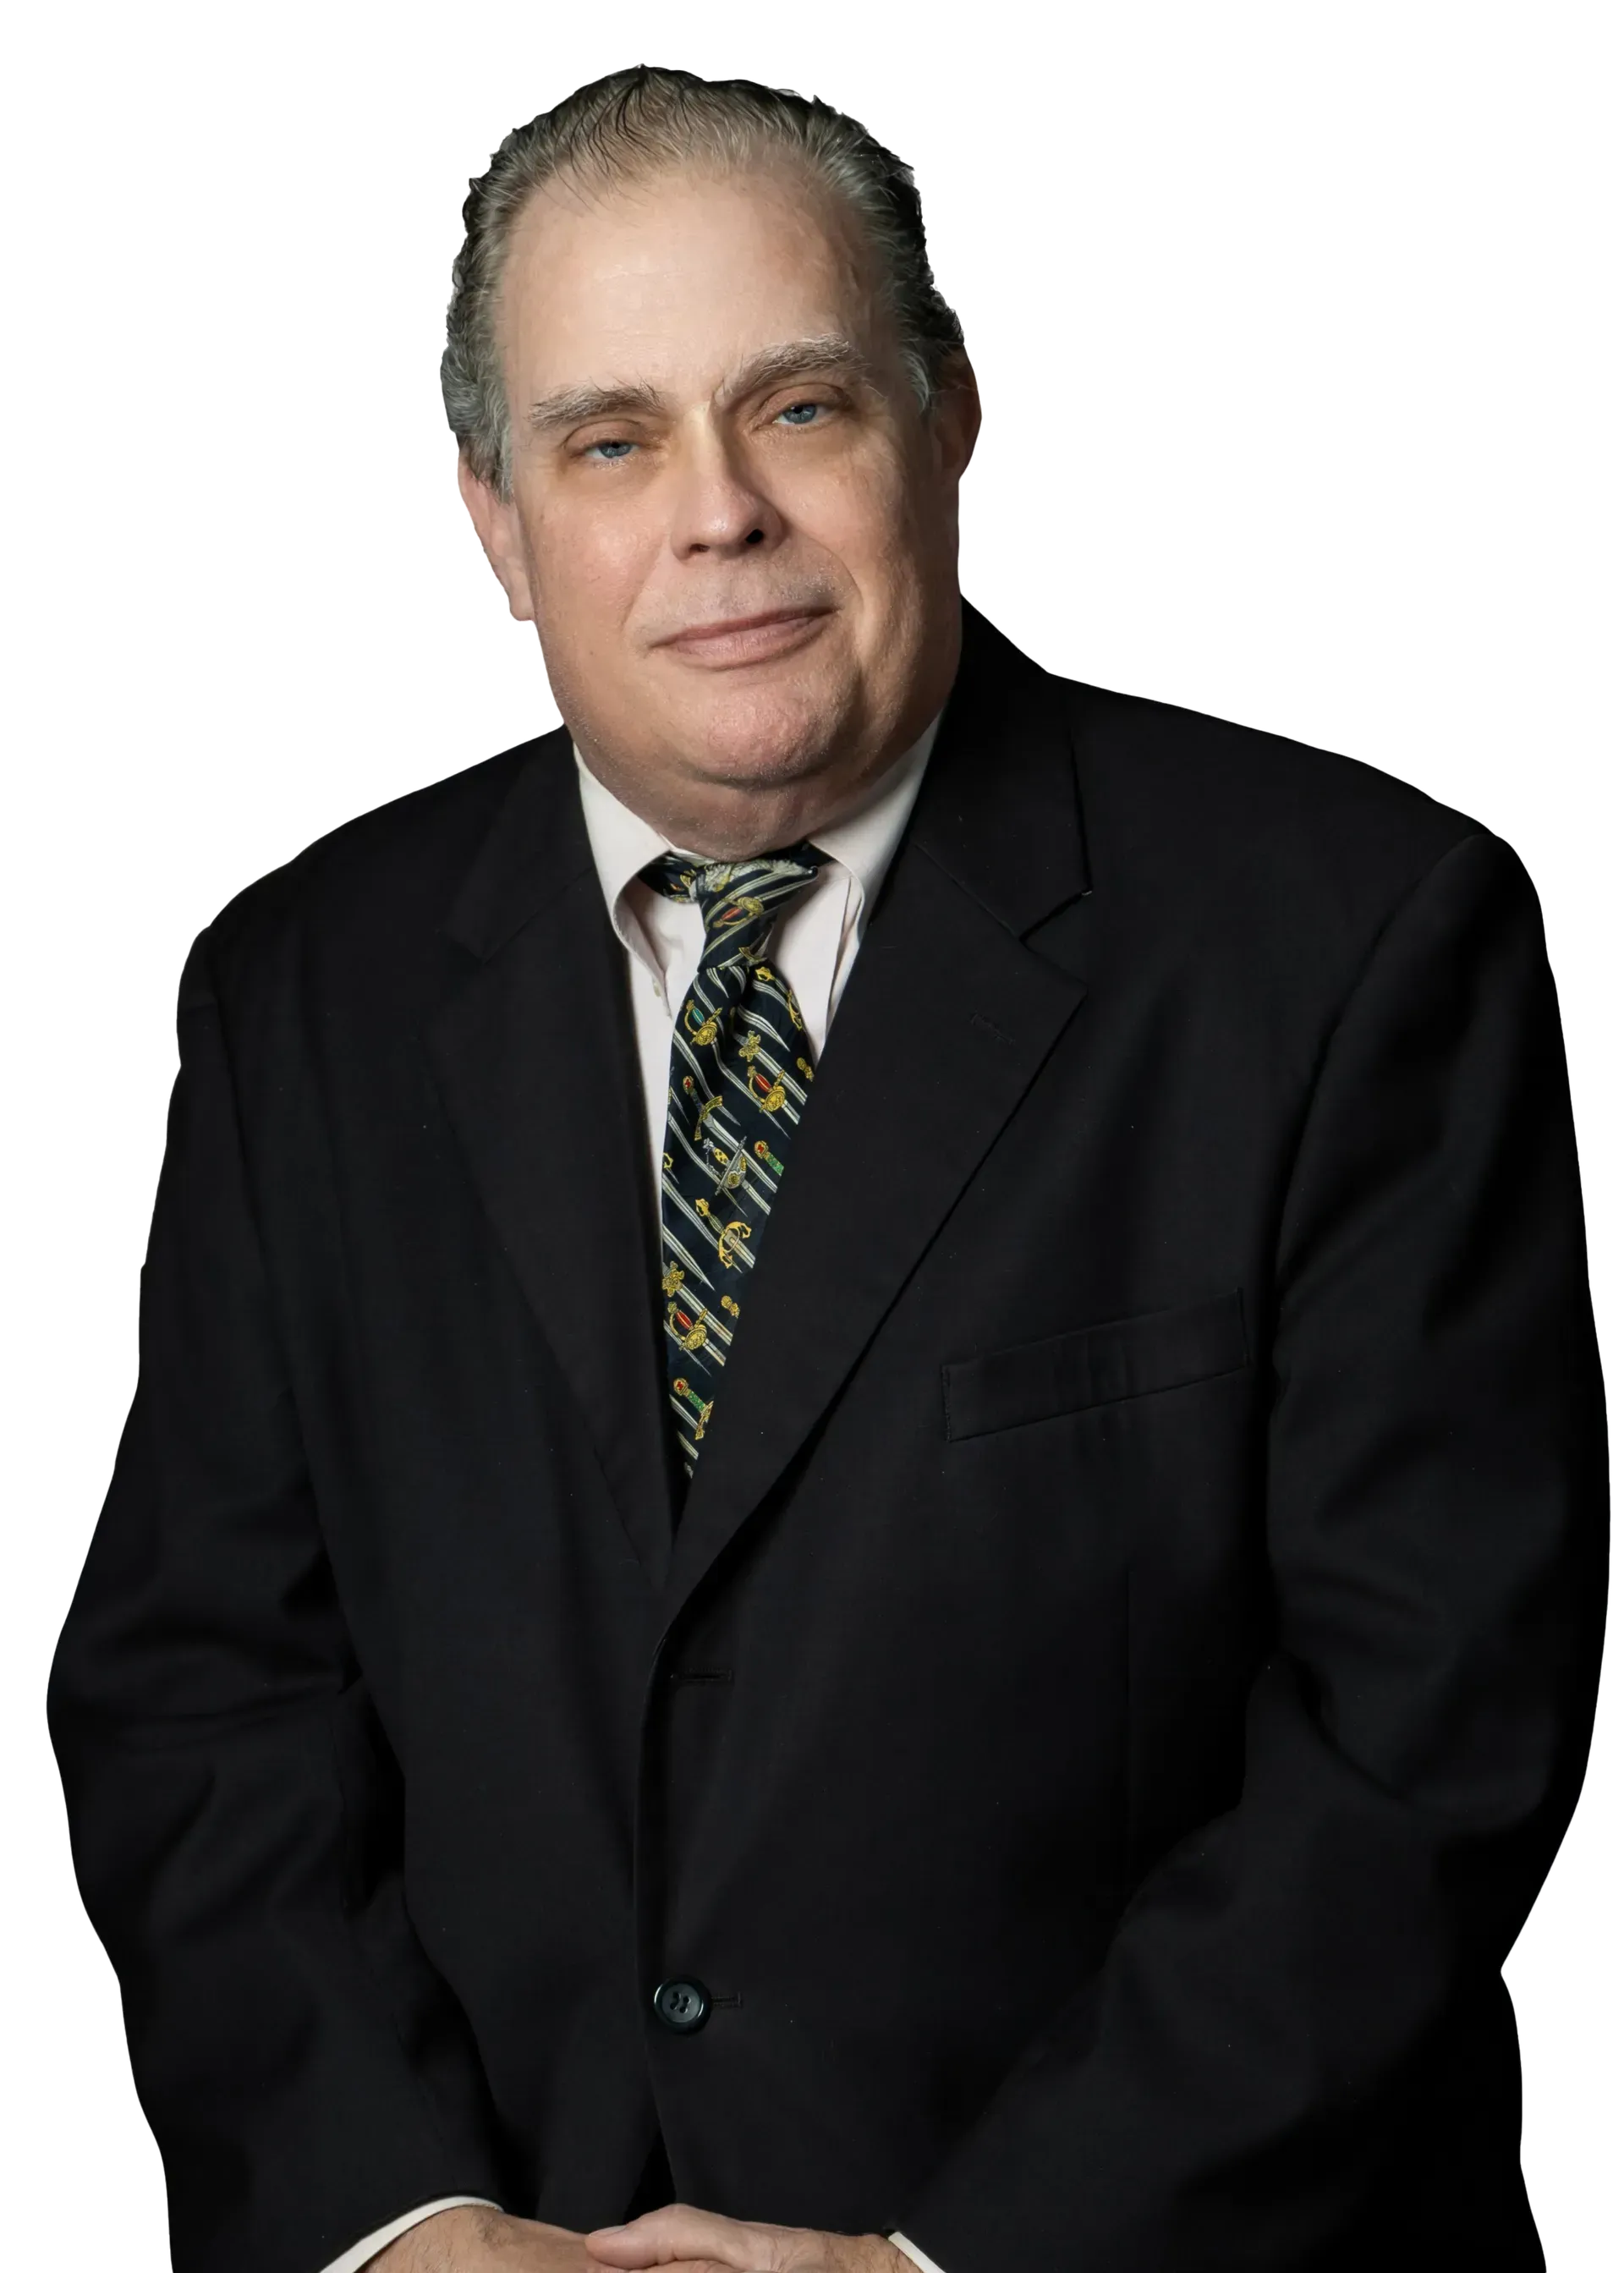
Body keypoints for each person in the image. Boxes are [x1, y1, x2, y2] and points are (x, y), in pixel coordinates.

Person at [45, 63, 1609, 2273]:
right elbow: (203, 1687)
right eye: (611, 440)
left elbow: (1423, 1734)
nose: (717, 519)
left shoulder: (1356, 939)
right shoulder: (299, 992)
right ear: (494, 519)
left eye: (795, 406)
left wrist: (953, 2261)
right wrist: (396, 2220)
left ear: (952, 417)